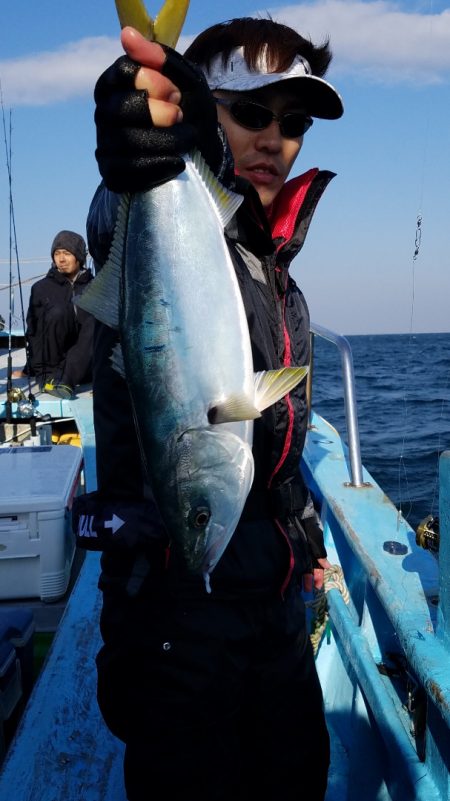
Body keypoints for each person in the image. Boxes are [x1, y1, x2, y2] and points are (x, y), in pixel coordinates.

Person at [83, 15, 344, 801]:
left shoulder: (275, 264)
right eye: (251, 113)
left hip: (275, 616)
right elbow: (113, 214)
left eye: (292, 123)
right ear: (201, 111)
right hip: (176, 626)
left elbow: (275, 449)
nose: (276, 139)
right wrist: (148, 154)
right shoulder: (187, 215)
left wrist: (308, 544)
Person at [23, 230, 94, 399]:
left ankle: (68, 378)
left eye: (67, 253)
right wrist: (34, 370)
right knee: (57, 312)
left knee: (96, 319)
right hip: (52, 373)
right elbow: (35, 333)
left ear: (79, 257)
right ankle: (56, 378)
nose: (61, 259)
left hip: (86, 369)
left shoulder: (94, 287)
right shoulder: (41, 288)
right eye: (57, 254)